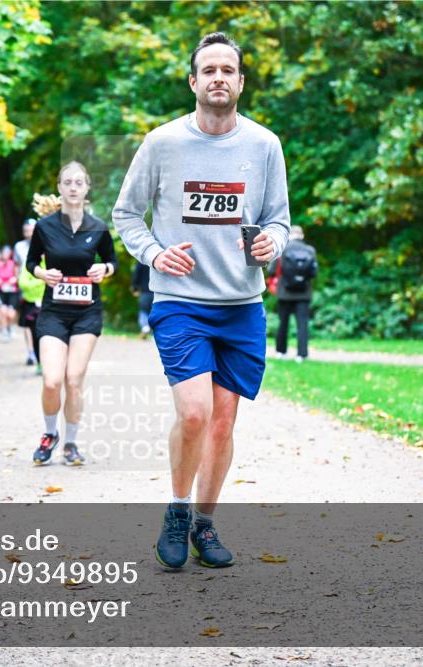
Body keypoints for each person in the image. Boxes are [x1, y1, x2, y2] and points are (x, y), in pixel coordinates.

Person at [113, 32, 290, 569]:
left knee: (222, 422)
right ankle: (177, 507)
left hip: (241, 305)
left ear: (240, 82)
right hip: (180, 301)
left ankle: (205, 525)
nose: (218, 77)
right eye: (207, 69)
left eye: (227, 70)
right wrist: (154, 255)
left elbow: (280, 218)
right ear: (193, 82)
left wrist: (272, 243)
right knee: (194, 414)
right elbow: (126, 215)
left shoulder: (264, 145)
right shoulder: (162, 142)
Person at [26, 161, 117, 466]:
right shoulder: (45, 227)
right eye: (68, 182)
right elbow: (30, 263)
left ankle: (72, 443)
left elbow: (111, 261)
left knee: (73, 378)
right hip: (53, 311)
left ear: (87, 188)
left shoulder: (98, 226)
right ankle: (50, 434)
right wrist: (42, 274)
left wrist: (104, 269)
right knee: (52, 380)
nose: (74, 187)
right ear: (60, 188)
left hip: (87, 313)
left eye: (79, 182)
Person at [268, 225, 317, 362]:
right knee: (302, 324)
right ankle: (301, 354)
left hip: (284, 293)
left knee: (283, 323)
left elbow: (272, 270)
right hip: (304, 293)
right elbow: (314, 272)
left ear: (290, 235)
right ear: (302, 235)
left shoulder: (283, 248)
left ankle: (281, 352)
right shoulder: (310, 250)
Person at [15, 220, 40, 365]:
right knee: (27, 322)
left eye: (32, 230)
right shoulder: (19, 246)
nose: (29, 233)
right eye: (26, 231)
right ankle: (31, 352)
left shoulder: (44, 242)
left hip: (43, 284)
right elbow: (16, 265)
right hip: (26, 285)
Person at [0, 245, 19, 339]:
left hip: (12, 292)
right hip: (1, 292)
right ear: (1, 254)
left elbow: (18, 276)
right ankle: (4, 331)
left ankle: (10, 327)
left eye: (8, 253)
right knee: (3, 311)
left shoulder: (14, 264)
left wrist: (14, 279)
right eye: (4, 253)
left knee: (10, 314)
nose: (5, 255)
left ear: (10, 254)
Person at [131, 261, 154, 338]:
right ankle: (154, 332)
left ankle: (145, 327)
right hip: (159, 292)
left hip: (145, 291)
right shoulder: (163, 256)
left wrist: (135, 288)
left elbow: (136, 274)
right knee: (155, 311)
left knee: (143, 310)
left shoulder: (141, 261)